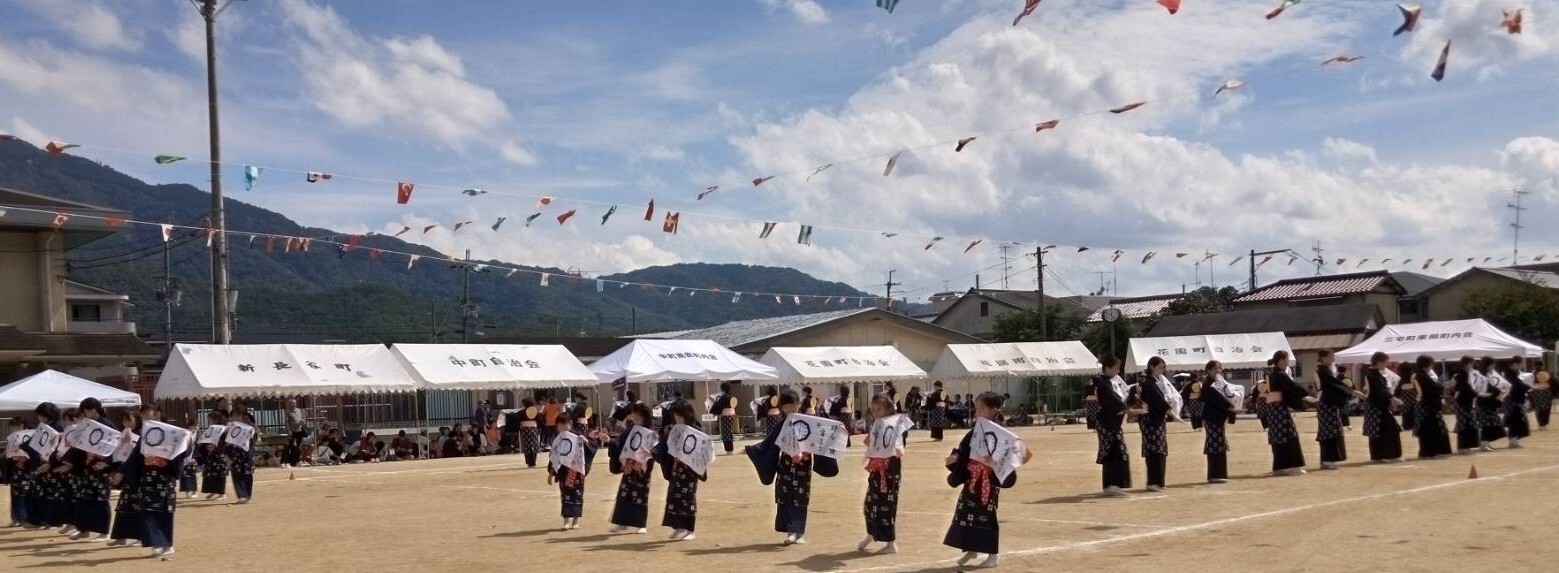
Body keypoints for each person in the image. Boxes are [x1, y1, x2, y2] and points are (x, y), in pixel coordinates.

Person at [745, 390, 839, 546]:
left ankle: (799, 533)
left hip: (803, 466)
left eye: (792, 406)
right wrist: (751, 449)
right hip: (786, 465)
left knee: (800, 498)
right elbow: (768, 443)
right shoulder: (782, 423)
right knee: (785, 496)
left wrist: (837, 431)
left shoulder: (809, 421)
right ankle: (790, 532)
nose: (789, 410)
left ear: (798, 404)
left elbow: (823, 433)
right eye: (786, 407)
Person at [941, 392, 1019, 569]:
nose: (977, 411)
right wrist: (954, 458)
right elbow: (962, 450)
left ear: (993, 410)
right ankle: (971, 547)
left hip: (989, 481)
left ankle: (993, 555)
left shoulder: (1000, 433)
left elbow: (1006, 457)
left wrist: (994, 465)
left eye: (982, 408)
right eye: (977, 407)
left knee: (986, 516)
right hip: (972, 479)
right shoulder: (975, 431)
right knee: (965, 512)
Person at [134, 406, 188, 559]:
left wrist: (174, 470)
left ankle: (167, 544)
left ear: (157, 414)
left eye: (147, 416)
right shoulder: (143, 433)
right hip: (147, 476)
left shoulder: (173, 431)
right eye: (142, 417)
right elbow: (136, 457)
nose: (145, 420)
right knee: (147, 510)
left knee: (164, 511)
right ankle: (156, 542)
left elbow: (180, 450)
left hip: (164, 476)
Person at [858, 393, 906, 555]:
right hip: (876, 468)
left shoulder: (895, 424)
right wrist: (869, 440)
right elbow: (874, 442)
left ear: (888, 409)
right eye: (873, 409)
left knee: (886, 505)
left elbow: (898, 440)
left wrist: (899, 447)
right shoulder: (878, 424)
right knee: (870, 503)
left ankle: (891, 542)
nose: (875, 411)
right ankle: (872, 533)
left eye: (879, 409)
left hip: (890, 469)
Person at [655, 401, 706, 541]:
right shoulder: (675, 430)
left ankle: (690, 530)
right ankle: (678, 526)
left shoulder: (695, 430)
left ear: (686, 415)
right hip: (676, 468)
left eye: (679, 417)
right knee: (673, 496)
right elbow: (664, 447)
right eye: (675, 417)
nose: (677, 420)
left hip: (690, 469)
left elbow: (702, 447)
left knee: (688, 498)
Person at [64, 398, 115, 540]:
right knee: (83, 498)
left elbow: (115, 448)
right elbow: (79, 445)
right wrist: (69, 461)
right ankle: (83, 529)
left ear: (93, 410)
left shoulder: (108, 426)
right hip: (87, 468)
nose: (85, 414)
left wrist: (107, 463)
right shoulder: (86, 425)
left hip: (101, 469)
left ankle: (104, 532)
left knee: (101, 500)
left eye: (86, 411)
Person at [547, 409, 601, 530]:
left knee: (577, 496)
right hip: (563, 472)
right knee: (565, 496)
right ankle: (566, 521)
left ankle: (575, 521)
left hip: (576, 471)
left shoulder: (578, 436)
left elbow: (591, 447)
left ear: (570, 423)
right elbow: (554, 457)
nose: (562, 428)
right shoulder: (558, 440)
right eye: (560, 425)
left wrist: (586, 442)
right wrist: (551, 474)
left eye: (565, 424)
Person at [607, 403, 656, 534]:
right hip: (629, 465)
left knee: (641, 494)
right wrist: (609, 440)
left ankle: (641, 524)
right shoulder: (631, 429)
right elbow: (619, 442)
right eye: (634, 419)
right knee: (624, 493)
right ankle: (622, 522)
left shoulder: (651, 432)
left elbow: (656, 448)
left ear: (644, 417)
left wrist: (651, 453)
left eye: (637, 418)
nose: (634, 421)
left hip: (642, 466)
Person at [1265, 351, 1315, 476]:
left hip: (1274, 411)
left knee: (1279, 437)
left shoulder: (1273, 374)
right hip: (1280, 411)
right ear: (1281, 361)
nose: (1288, 363)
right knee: (1288, 436)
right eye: (1287, 360)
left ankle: (1280, 466)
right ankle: (1290, 466)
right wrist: (1306, 396)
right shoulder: (1279, 375)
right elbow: (1292, 387)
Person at [1134, 357, 1173, 492]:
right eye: (1160, 367)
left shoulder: (1157, 382)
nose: (1162, 370)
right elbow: (1157, 400)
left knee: (1160, 450)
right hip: (1151, 421)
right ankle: (1153, 481)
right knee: (1154, 451)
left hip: (1157, 421)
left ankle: (1159, 481)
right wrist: (1168, 409)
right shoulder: (1148, 383)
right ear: (1151, 367)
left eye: (1163, 368)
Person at [1094, 357, 1132, 496]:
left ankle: (1112, 485)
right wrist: (1127, 409)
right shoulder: (1104, 384)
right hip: (1107, 422)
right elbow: (1113, 400)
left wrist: (1126, 408)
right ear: (1108, 368)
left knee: (1115, 450)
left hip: (1110, 421)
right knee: (1113, 450)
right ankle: (1112, 484)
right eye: (1116, 368)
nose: (1118, 370)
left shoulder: (1109, 382)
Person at [107, 408, 143, 547]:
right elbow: (116, 454)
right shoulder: (123, 435)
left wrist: (130, 442)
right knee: (123, 506)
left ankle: (140, 536)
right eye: (124, 420)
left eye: (129, 420)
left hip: (138, 475)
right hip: (126, 474)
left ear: (136, 421)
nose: (126, 423)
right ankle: (121, 536)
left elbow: (137, 457)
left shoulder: (140, 436)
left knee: (138, 506)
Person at [1200, 361, 1238, 483]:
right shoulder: (1207, 385)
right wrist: (1230, 406)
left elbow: (1228, 396)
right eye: (1216, 368)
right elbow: (1217, 400)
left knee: (1219, 443)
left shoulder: (1220, 384)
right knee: (1215, 444)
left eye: (1220, 368)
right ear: (1208, 370)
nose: (1218, 371)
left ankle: (1220, 473)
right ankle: (1214, 475)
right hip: (1211, 417)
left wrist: (1233, 405)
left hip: (1219, 417)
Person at [1363, 352, 1404, 463]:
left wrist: (1390, 400)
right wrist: (1392, 399)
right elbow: (1379, 391)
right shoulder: (1372, 375)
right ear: (1379, 361)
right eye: (1385, 362)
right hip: (1375, 407)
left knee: (1382, 431)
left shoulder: (1377, 374)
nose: (1386, 364)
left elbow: (1383, 390)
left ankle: (1382, 455)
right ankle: (1380, 456)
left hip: (1380, 406)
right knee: (1378, 431)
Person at [1315, 350, 1352, 470]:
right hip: (1327, 403)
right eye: (1331, 356)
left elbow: (1334, 384)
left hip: (1328, 403)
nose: (1333, 359)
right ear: (1323, 357)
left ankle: (1327, 459)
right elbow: (1332, 385)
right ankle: (1327, 459)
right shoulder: (1323, 370)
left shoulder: (1326, 370)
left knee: (1330, 431)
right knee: (1329, 431)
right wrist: (1347, 390)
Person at [1411, 355, 1454, 459]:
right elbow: (1432, 389)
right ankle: (1430, 452)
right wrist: (1445, 385)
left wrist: (1443, 386)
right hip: (1427, 406)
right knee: (1431, 430)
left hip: (1427, 406)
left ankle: (1431, 451)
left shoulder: (1421, 375)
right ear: (1426, 364)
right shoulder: (1421, 376)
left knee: (1431, 430)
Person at [1451, 356, 1484, 454]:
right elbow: (1465, 389)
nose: (1473, 365)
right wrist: (1477, 393)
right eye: (1471, 363)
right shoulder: (1461, 375)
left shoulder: (1468, 375)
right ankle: (1462, 447)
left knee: (1470, 424)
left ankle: (1466, 446)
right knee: (1463, 425)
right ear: (1466, 364)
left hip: (1467, 402)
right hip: (1462, 403)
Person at [226, 407, 256, 504]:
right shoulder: (230, 428)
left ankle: (248, 495)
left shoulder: (249, 427)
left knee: (247, 474)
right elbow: (226, 442)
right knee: (236, 475)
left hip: (247, 454)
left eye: (236, 416)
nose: (234, 418)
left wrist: (253, 434)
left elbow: (255, 437)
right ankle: (241, 495)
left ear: (241, 416)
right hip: (235, 455)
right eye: (232, 416)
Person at [1476, 357, 1507, 449]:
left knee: (1492, 423)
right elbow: (1487, 387)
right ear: (1488, 365)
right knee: (1486, 424)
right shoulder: (1481, 375)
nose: (1494, 366)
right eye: (1492, 364)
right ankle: (1483, 444)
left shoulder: (1488, 374)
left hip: (1490, 402)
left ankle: (1486, 442)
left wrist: (1500, 390)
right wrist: (1498, 391)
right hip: (1484, 402)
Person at [1503, 356, 1532, 448]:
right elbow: (1517, 385)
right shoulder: (1509, 374)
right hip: (1512, 401)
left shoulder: (1513, 373)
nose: (1522, 366)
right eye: (1521, 363)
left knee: (1518, 421)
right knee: (1515, 420)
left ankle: (1514, 440)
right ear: (1515, 364)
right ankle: (1513, 441)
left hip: (1516, 400)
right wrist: (1529, 387)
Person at [198, 411, 228, 500]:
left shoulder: (223, 429)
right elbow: (205, 439)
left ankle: (222, 493)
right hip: (210, 454)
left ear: (216, 419)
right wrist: (205, 446)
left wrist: (216, 447)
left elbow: (225, 442)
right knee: (210, 474)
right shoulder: (210, 428)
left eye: (210, 419)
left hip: (219, 454)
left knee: (220, 474)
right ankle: (212, 491)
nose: (209, 421)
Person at [712, 382, 740, 456]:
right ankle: (730, 449)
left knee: (726, 432)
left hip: (725, 415)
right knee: (729, 432)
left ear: (723, 389)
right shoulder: (732, 396)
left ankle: (728, 449)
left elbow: (719, 406)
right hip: (732, 414)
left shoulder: (723, 397)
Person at [282, 399, 307, 469]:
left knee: (298, 447)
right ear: (289, 404)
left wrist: (302, 422)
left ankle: (297, 461)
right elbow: (286, 423)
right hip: (292, 431)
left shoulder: (299, 410)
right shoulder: (287, 411)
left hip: (299, 430)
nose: (294, 405)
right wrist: (288, 431)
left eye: (295, 403)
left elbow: (300, 419)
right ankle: (286, 462)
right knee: (289, 447)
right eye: (292, 403)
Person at [178, 425, 199, 495]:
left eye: (197, 426)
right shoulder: (185, 435)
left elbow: (196, 448)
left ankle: (194, 491)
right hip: (185, 458)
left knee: (192, 475)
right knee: (184, 475)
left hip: (192, 458)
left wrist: (194, 457)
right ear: (190, 427)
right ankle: (187, 491)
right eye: (194, 426)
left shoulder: (196, 436)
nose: (196, 428)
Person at [1533, 366, 1553, 430]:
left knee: (1538, 410)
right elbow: (1553, 382)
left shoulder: (1533, 374)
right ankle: (1543, 424)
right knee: (1546, 410)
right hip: (1546, 394)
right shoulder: (1546, 373)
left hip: (1537, 393)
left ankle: (1540, 424)